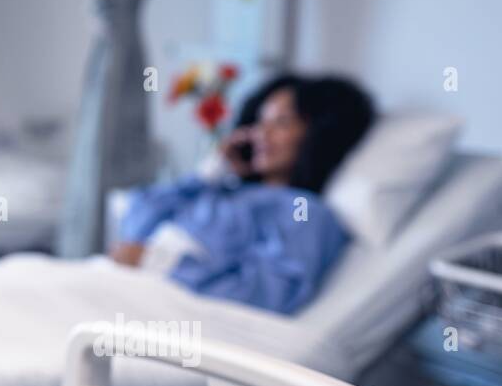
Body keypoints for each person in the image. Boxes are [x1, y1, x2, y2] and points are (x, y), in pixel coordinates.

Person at [109, 74, 375, 314]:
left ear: (318, 135)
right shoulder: (222, 188)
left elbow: (266, 295)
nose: (261, 133)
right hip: (124, 283)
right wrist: (206, 175)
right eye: (260, 122)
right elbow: (135, 220)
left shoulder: (302, 208)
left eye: (281, 123)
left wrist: (160, 262)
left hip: (166, 301)